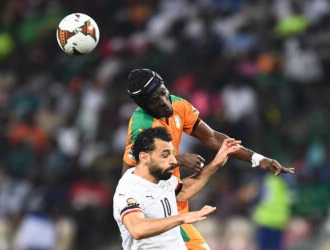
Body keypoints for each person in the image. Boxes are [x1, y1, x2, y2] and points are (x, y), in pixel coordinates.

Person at [123, 68, 295, 249]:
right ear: (143, 105)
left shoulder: (179, 106)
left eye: (164, 93)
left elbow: (212, 138)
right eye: (155, 101)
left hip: (175, 211)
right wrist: (178, 159)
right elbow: (131, 174)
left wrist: (258, 159)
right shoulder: (142, 127)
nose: (165, 102)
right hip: (154, 218)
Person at [114, 127, 241, 249]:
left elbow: (183, 191)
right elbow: (137, 229)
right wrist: (182, 218)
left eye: (172, 154)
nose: (173, 161)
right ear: (144, 157)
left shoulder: (163, 178)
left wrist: (215, 164)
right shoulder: (128, 189)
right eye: (165, 155)